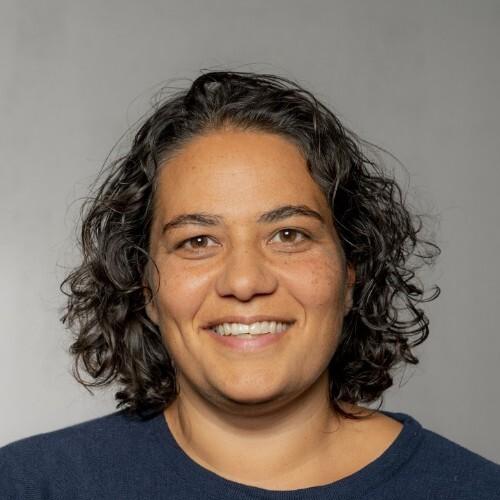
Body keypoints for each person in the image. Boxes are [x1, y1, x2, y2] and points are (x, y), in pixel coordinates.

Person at [1, 71, 499, 499]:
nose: (244, 281)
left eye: (288, 235)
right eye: (197, 241)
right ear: (144, 285)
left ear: (352, 270)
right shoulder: (31, 485)